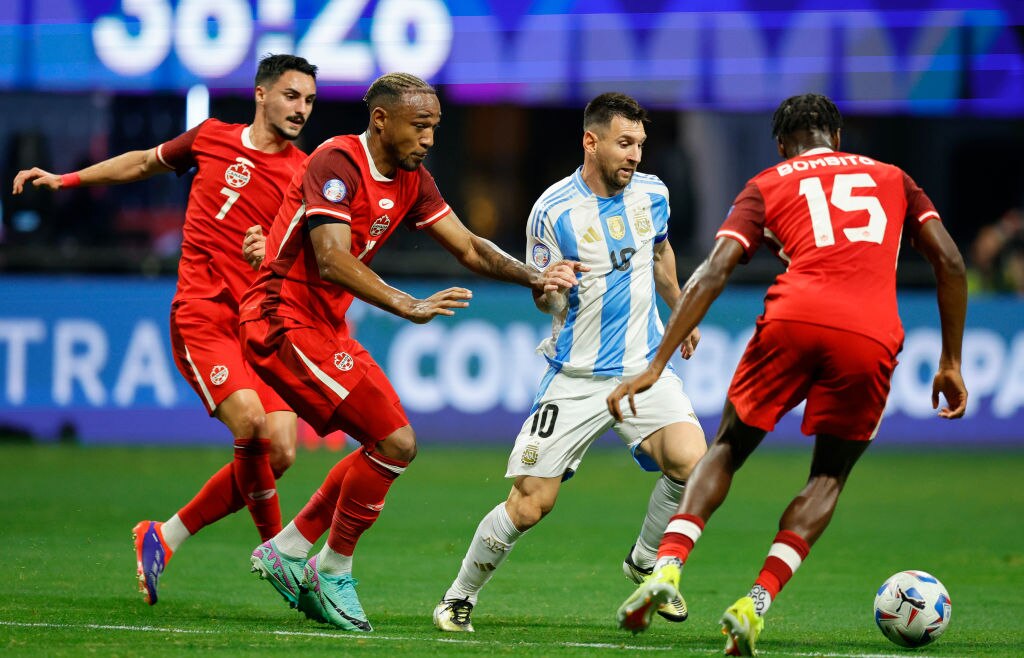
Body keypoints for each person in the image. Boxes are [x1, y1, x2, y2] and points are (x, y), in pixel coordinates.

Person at [610, 93, 968, 656]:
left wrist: (657, 364)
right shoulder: (895, 179)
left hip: (794, 317)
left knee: (727, 448)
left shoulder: (768, 183)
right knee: (827, 476)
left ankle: (668, 567)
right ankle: (755, 603)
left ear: (782, 145)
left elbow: (713, 272)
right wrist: (950, 361)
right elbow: (950, 262)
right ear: (838, 138)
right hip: (871, 333)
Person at [240, 72, 582, 632]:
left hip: (323, 326)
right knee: (395, 441)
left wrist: (535, 277)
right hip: (279, 318)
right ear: (381, 120)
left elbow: (469, 246)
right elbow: (331, 257)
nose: (429, 138)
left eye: (435, 127)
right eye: (420, 125)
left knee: (387, 443)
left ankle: (291, 548)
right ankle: (332, 568)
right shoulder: (337, 162)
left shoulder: (412, 179)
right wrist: (407, 303)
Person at [11, 54, 318, 606]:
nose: (302, 109)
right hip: (204, 315)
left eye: (310, 101)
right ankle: (278, 554)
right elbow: (140, 164)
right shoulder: (210, 137)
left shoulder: (304, 173)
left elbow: (312, 253)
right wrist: (65, 179)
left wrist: (273, 254)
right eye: (292, 96)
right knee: (252, 425)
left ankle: (164, 536)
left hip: (261, 324)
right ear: (261, 94)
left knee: (282, 451)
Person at [431, 92, 708, 633]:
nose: (635, 155)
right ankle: (459, 596)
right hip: (576, 377)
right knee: (531, 504)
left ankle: (646, 560)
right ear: (591, 141)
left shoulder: (653, 193)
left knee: (692, 463)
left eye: (640, 144)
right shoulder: (553, 210)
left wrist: (679, 306)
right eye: (624, 144)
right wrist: (548, 286)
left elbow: (660, 252)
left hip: (642, 370)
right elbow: (544, 296)